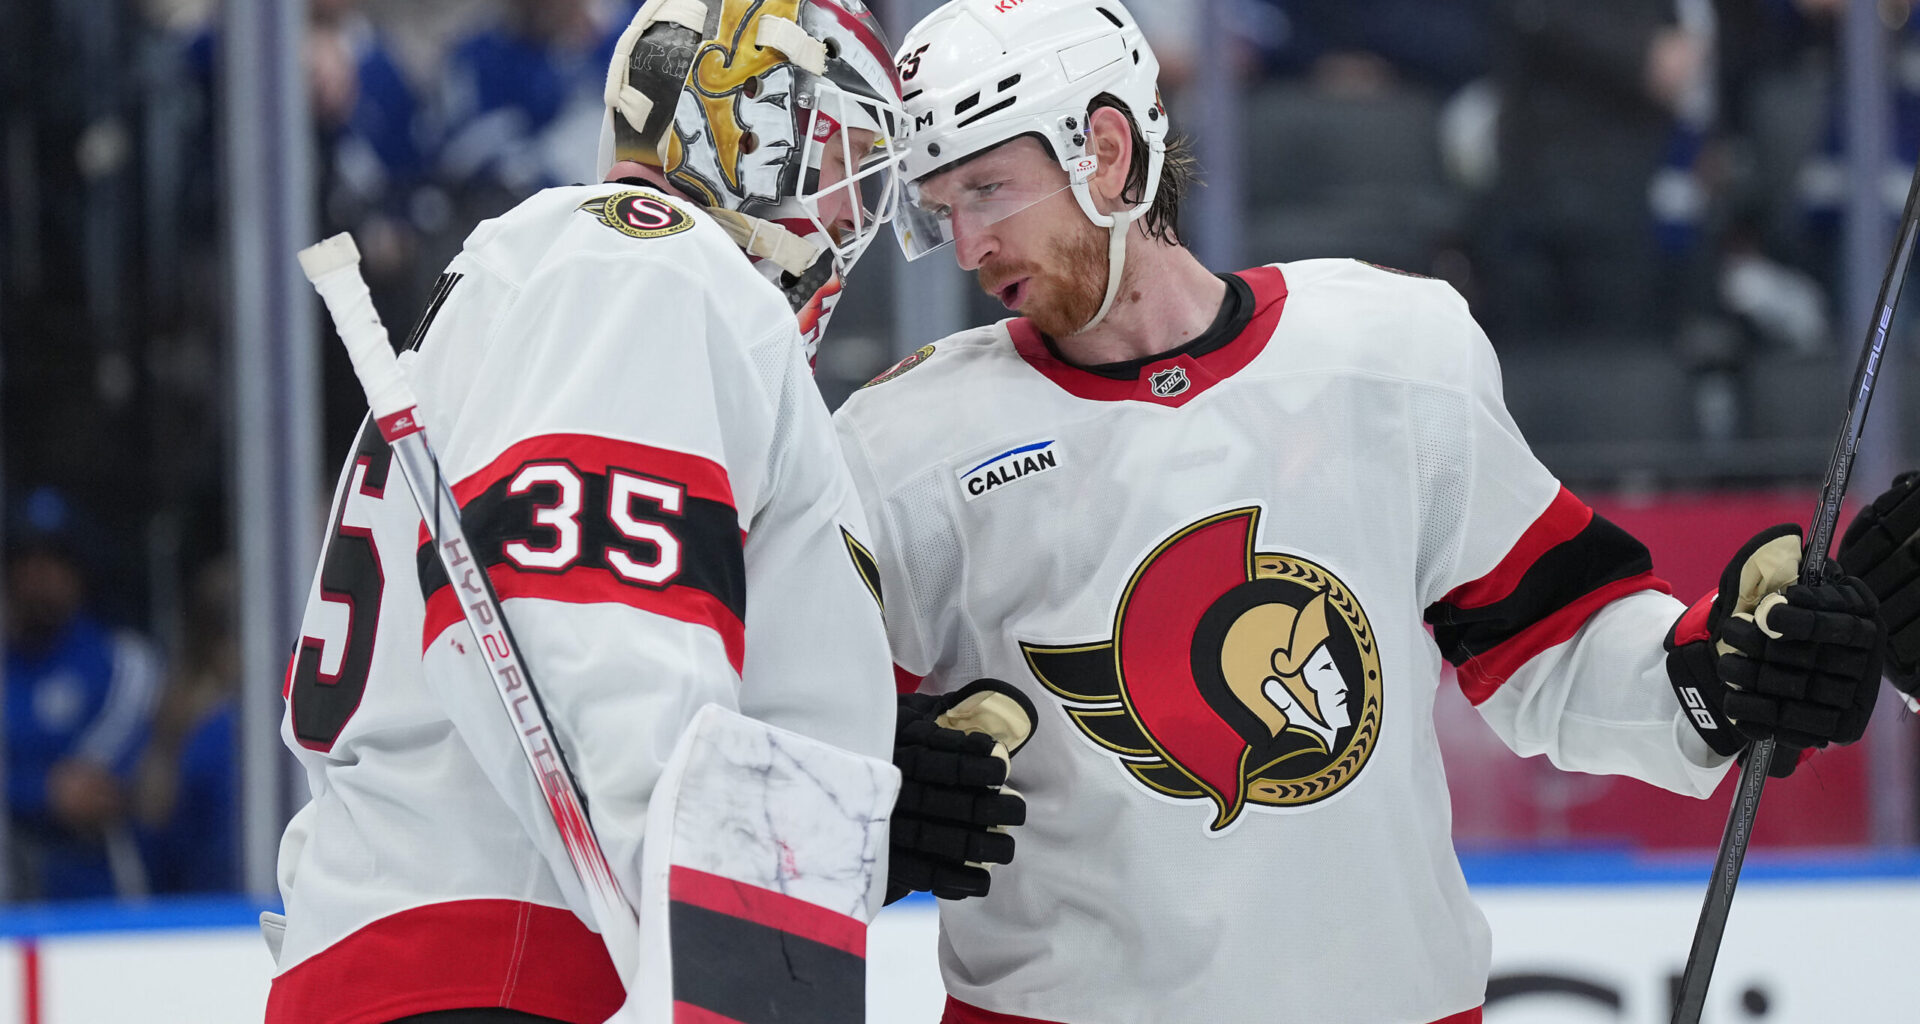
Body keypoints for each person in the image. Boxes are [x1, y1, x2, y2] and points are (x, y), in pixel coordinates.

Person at [833, 2, 1892, 1022]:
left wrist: (1717, 673)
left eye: (988, 189)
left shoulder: (1394, 351)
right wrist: (863, 796)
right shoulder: (905, 443)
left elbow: (1552, 643)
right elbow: (790, 728)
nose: (967, 246)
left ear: (1104, 152)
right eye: (941, 207)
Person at [267, 3, 907, 1021]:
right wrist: (744, 959)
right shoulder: (643, 267)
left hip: (448, 955)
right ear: (748, 117)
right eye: (843, 157)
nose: (851, 214)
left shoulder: (584, 275)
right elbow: (606, 656)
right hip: (516, 970)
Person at [5, 486, 163, 901]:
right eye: (27, 559)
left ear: (79, 569)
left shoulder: (124, 663)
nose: (39, 574)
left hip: (97, 895)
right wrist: (40, 791)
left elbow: (89, 790)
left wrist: (26, 785)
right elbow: (57, 793)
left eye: (56, 558)